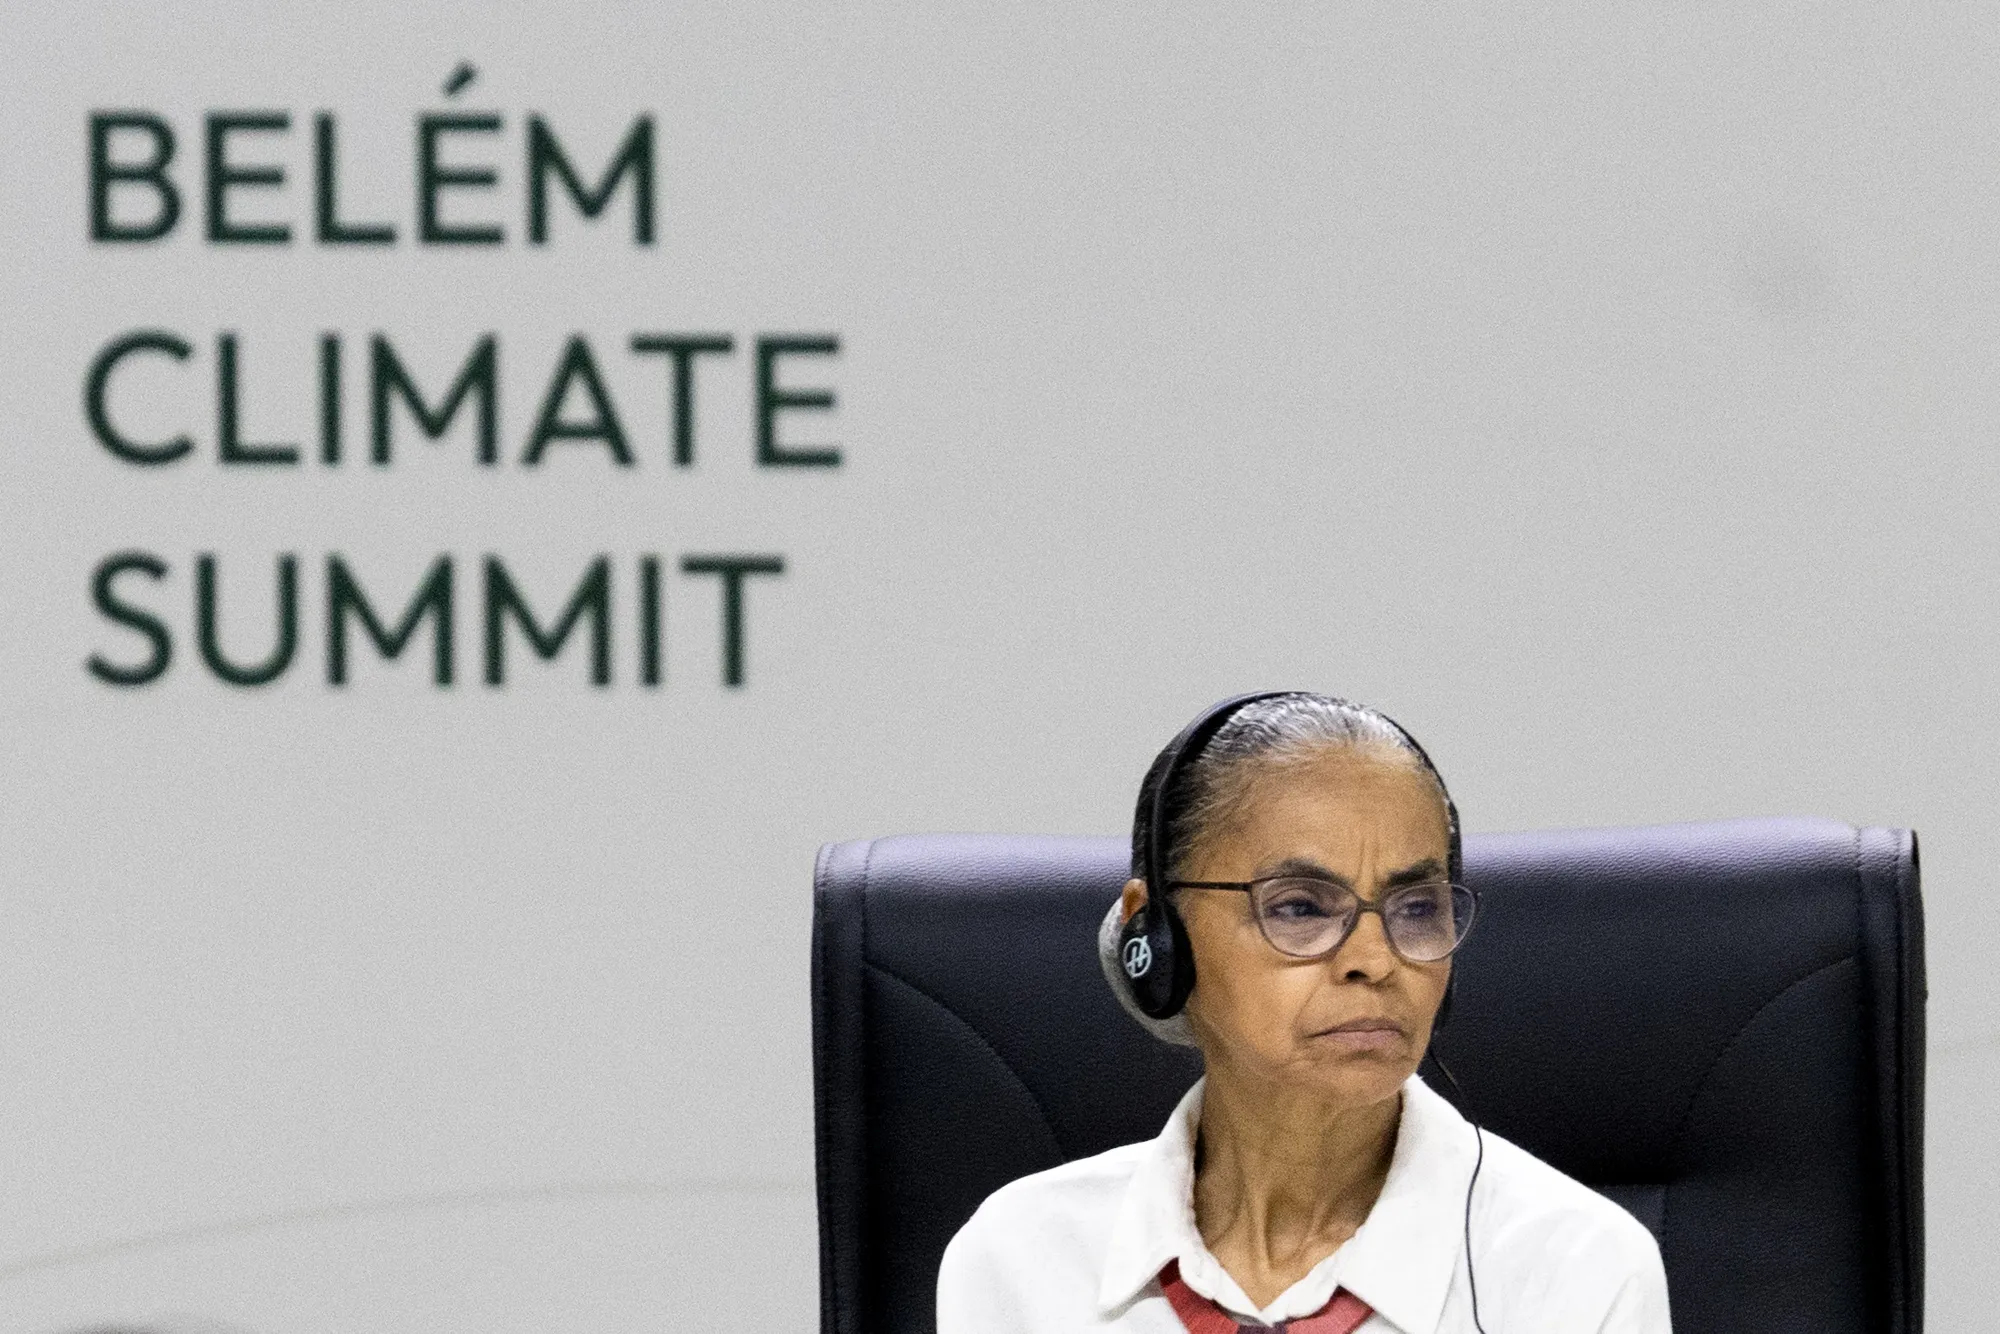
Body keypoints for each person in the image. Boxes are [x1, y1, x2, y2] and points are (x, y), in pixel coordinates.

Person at [935, 692, 1671, 1333]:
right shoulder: (1021, 1260)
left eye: (1417, 909)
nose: (1376, 960)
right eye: (1299, 908)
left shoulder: (1576, 1270)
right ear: (1155, 938)